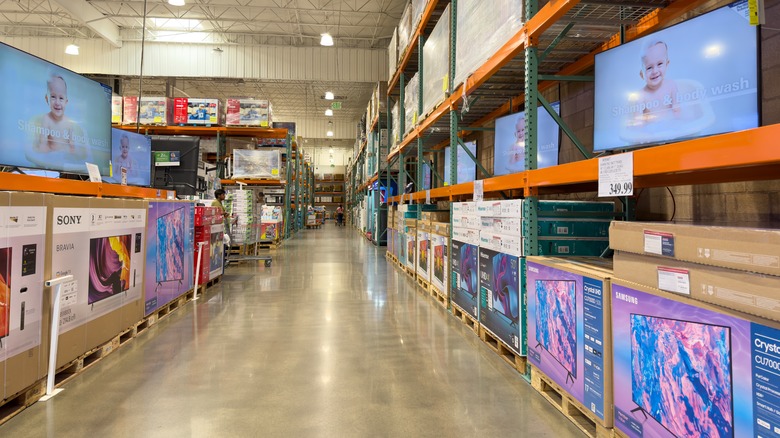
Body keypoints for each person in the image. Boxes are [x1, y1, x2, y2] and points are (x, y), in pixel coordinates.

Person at [26, 74, 89, 168]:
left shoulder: (69, 123)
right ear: (47, 99)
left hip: (64, 159)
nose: (57, 102)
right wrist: (49, 153)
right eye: (53, 97)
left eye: (61, 98)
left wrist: (73, 154)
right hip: (50, 158)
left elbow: (72, 145)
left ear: (66, 102)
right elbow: (43, 144)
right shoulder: (46, 119)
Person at [632, 40, 679, 123]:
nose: (655, 71)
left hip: (671, 126)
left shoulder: (671, 85)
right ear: (641, 74)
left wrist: (678, 124)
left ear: (667, 64)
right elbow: (637, 122)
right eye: (649, 68)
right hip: (651, 132)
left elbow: (677, 110)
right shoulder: (641, 95)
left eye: (660, 64)